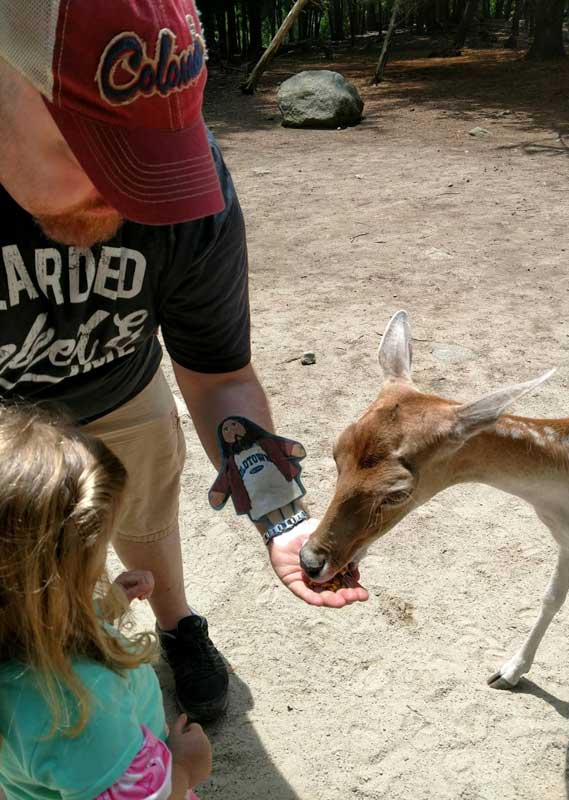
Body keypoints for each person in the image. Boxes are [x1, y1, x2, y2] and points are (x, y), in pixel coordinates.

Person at [0, 0, 368, 724]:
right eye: (94, 150)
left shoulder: (185, 181)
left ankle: (176, 625)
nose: (135, 195)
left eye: (148, 160)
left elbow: (219, 374)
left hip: (121, 388)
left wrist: (277, 512)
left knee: (147, 512)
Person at [0, 405, 212, 800]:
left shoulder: (16, 643)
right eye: (94, 562)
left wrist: (107, 604)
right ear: (52, 584)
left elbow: (41, 629)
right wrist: (185, 766)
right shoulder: (79, 709)